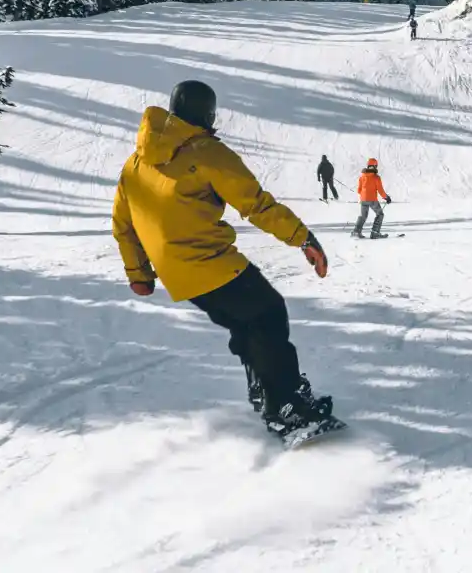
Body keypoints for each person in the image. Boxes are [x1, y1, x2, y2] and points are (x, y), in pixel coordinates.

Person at [112, 80, 334, 440]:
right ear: (208, 113)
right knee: (269, 313)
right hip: (208, 260)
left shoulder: (136, 161)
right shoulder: (208, 152)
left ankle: (265, 385)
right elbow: (257, 205)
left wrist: (140, 273)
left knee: (246, 321)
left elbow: (123, 224)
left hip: (178, 275)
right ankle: (283, 404)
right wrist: (303, 239)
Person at [351, 158, 391, 238]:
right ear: (375, 166)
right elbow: (381, 191)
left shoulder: (362, 177)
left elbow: (359, 190)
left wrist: (364, 193)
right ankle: (375, 232)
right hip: (372, 199)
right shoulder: (376, 177)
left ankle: (356, 232)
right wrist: (387, 198)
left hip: (363, 199)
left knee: (363, 216)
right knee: (380, 214)